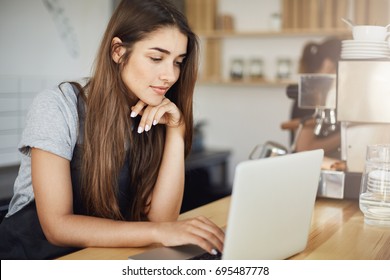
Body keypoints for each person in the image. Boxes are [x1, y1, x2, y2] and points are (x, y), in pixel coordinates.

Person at [0, 0, 224, 260]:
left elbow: (161, 218)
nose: (170, 75)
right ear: (118, 51)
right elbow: (57, 227)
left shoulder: (156, 114)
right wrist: (160, 233)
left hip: (98, 257)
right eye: (156, 58)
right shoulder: (57, 106)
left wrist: (177, 129)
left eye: (178, 62)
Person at [290, 37, 342, 158]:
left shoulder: (329, 93)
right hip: (309, 170)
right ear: (329, 64)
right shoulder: (311, 95)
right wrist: (345, 137)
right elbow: (304, 148)